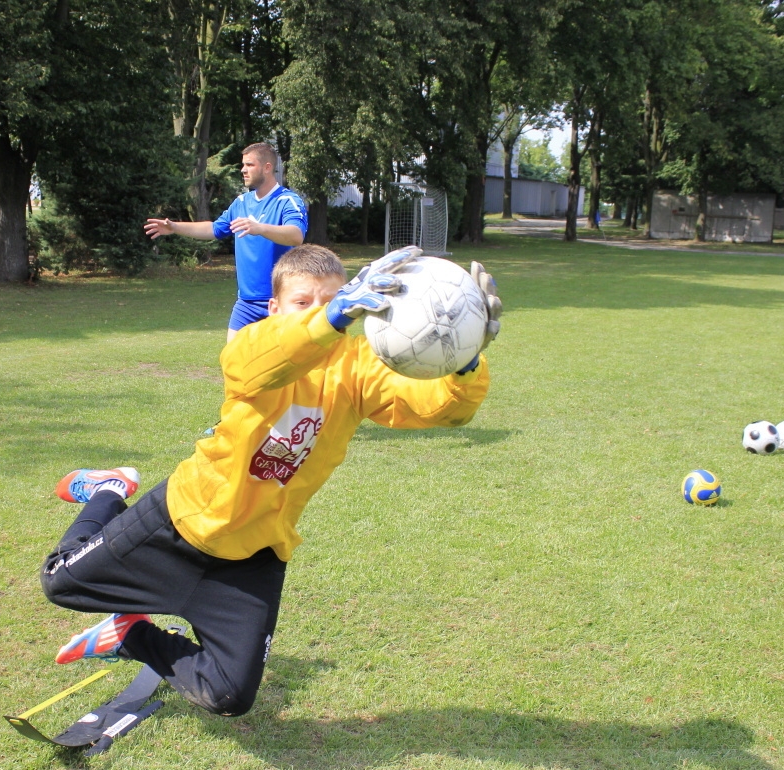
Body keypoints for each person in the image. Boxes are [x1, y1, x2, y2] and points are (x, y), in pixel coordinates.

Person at [40, 244, 502, 717]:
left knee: (229, 696)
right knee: (60, 583)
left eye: (335, 299)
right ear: (275, 309)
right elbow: (263, 357)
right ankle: (109, 489)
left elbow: (440, 410)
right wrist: (331, 318)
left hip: (254, 553)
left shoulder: (360, 366)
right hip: (185, 522)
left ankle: (128, 633)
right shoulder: (253, 347)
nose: (323, 312)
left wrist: (464, 361)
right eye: (305, 303)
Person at [145, 142, 307, 342]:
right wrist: (175, 227)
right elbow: (213, 229)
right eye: (243, 165)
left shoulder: (287, 201)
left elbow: (296, 235)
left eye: (249, 165)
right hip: (246, 303)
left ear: (266, 167)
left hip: (280, 301)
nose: (243, 170)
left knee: (283, 366)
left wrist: (261, 228)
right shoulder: (241, 203)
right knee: (233, 363)